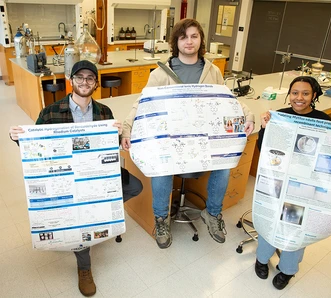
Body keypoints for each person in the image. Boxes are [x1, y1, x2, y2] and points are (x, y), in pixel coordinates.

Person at [9, 60, 143, 297]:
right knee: (79, 210)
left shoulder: (104, 111)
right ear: (71, 81)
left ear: (96, 84)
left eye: (90, 78)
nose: (84, 82)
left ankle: (95, 216)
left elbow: (109, 147)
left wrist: (121, 136)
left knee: (135, 185)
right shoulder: (50, 112)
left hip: (97, 173)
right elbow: (35, 145)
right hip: (66, 176)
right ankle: (84, 265)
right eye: (79, 77)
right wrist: (18, 137)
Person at [121, 18, 255, 249]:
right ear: (176, 41)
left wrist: (248, 115)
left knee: (224, 164)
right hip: (172, 138)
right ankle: (161, 219)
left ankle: (212, 214)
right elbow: (142, 103)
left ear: (201, 39)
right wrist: (127, 128)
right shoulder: (161, 73)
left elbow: (226, 101)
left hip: (203, 138)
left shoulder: (212, 71)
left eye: (194, 36)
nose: (189, 41)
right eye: (184, 37)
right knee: (161, 169)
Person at [254, 76, 331, 290]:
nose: (299, 98)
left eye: (305, 93)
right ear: (289, 94)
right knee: (270, 222)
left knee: (296, 228)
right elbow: (265, 150)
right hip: (279, 183)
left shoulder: (323, 122)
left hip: (305, 187)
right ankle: (261, 259)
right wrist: (265, 128)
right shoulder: (280, 116)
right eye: (295, 93)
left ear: (314, 95)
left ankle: (287, 271)